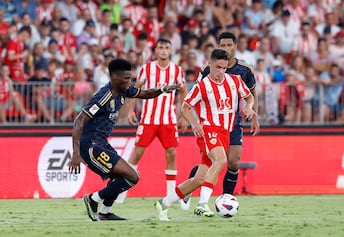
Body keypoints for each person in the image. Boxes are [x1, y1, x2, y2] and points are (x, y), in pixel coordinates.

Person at [68, 58, 180, 221]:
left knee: (120, 178)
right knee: (133, 176)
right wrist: (76, 153)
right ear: (114, 77)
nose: (129, 82)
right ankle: (93, 199)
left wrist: (163, 89)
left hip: (102, 143)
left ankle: (105, 212)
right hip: (91, 146)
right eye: (126, 78)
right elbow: (79, 120)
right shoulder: (103, 96)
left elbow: (145, 93)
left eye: (130, 78)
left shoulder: (124, 90)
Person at [154, 48, 256, 221]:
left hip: (226, 131)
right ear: (209, 65)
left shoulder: (235, 81)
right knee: (221, 160)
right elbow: (185, 107)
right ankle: (202, 205)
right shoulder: (202, 86)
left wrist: (249, 106)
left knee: (199, 178)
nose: (221, 72)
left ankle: (163, 203)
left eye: (224, 68)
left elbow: (248, 96)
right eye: (217, 67)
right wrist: (194, 124)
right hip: (209, 130)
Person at [181, 31, 260, 211]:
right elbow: (197, 93)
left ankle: (226, 200)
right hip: (211, 123)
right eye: (222, 45)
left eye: (229, 45)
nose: (226, 48)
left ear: (235, 46)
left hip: (234, 121)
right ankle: (190, 188)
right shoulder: (208, 69)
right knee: (212, 161)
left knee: (233, 161)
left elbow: (252, 94)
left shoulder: (244, 70)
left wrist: (254, 115)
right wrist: (192, 120)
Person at [116, 38, 188, 204]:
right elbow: (136, 89)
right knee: (137, 153)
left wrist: (182, 114)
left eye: (166, 48)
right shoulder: (146, 69)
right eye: (160, 47)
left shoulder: (176, 71)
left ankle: (171, 194)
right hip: (148, 119)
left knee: (171, 154)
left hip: (168, 120)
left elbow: (183, 90)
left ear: (171, 51)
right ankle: (121, 191)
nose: (163, 50)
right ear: (155, 51)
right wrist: (131, 110)